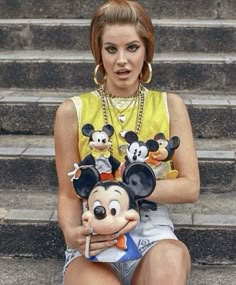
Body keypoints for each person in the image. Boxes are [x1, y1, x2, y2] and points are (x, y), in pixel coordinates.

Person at [54, 1, 200, 284]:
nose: (122, 60)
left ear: (146, 50)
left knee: (170, 259)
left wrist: (132, 186)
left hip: (152, 234)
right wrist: (71, 233)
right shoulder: (71, 112)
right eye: (111, 49)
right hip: (96, 236)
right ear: (99, 52)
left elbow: (190, 186)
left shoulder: (171, 106)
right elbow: (69, 194)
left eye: (132, 47)